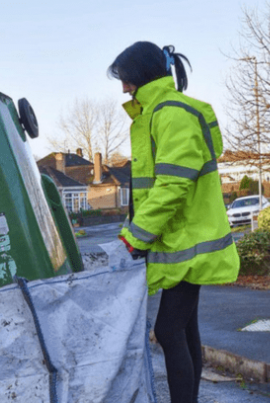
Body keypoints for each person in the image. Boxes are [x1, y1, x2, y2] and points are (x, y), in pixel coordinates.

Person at [108, 42, 239, 403]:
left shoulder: (171, 114)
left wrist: (134, 238)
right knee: (184, 330)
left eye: (126, 79)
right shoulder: (158, 113)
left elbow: (172, 186)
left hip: (187, 242)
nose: (123, 88)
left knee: (168, 331)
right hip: (182, 242)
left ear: (140, 76)